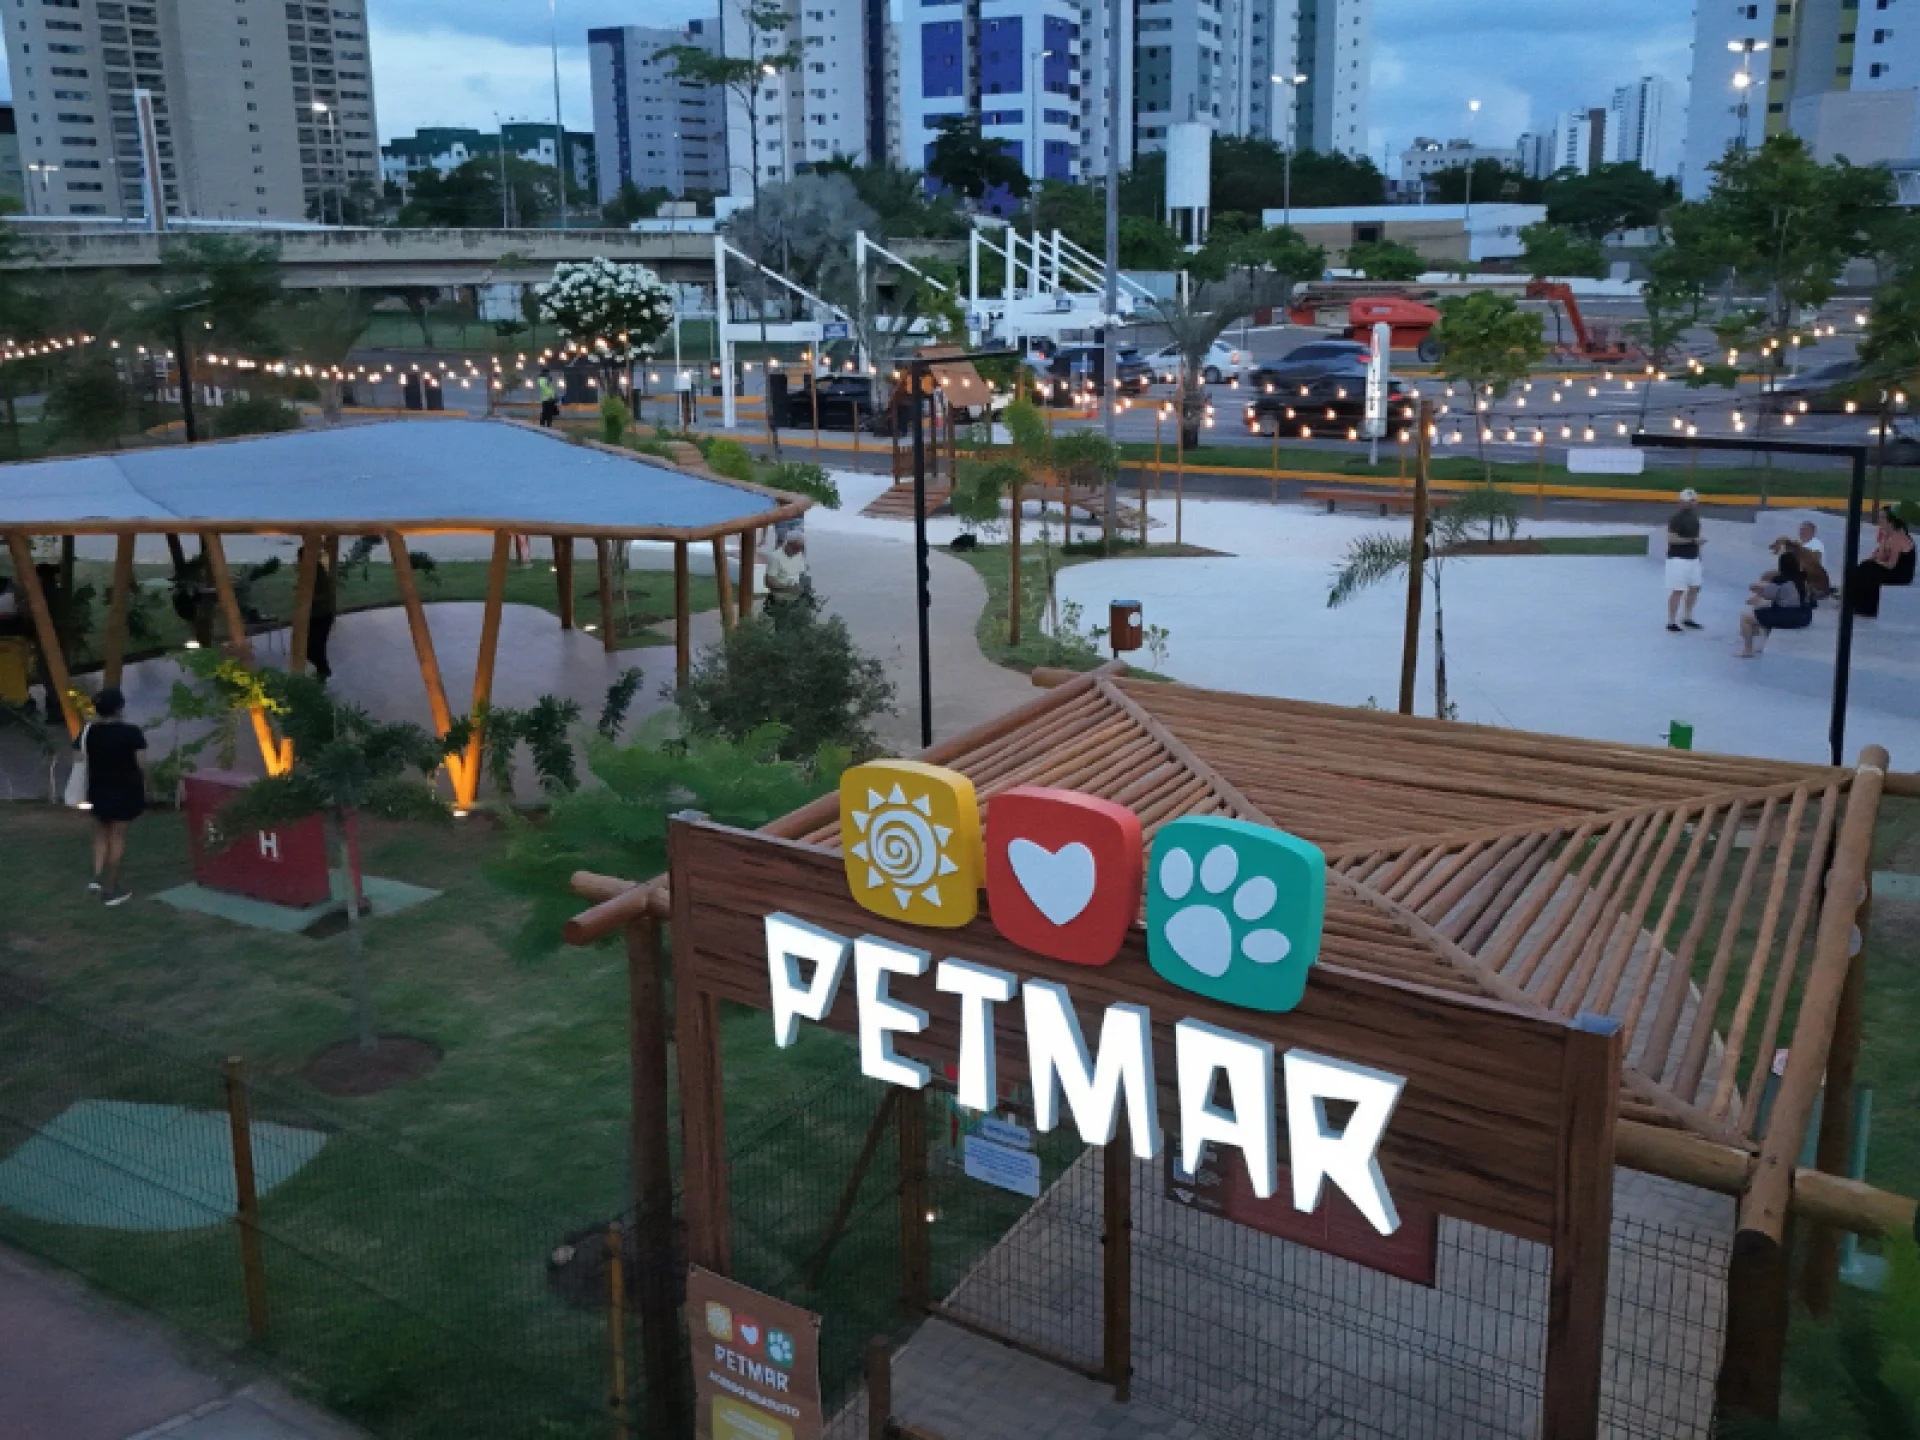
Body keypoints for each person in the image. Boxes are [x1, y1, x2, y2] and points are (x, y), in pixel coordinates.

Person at [78, 686, 146, 907]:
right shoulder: (131, 732)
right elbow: (141, 763)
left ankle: (96, 878)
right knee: (118, 837)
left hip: (98, 789)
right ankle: (111, 889)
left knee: (100, 834)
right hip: (125, 789)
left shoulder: (89, 732)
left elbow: (79, 759)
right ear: (119, 708)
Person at [1739, 551, 1815, 657]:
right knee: (1765, 610)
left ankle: (1747, 650)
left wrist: (1755, 588)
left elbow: (1767, 594)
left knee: (1746, 618)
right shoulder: (1803, 578)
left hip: (1789, 617)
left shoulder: (1781, 579)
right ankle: (1762, 644)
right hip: (1805, 617)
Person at [1848, 506, 1916, 618]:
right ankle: (1853, 603)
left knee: (1869, 570)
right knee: (1863, 568)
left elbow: (1891, 565)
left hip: (1900, 574)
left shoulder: (1898, 537)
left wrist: (1874, 562)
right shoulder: (1888, 534)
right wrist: (1884, 539)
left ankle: (1867, 608)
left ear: (1891, 520)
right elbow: (1880, 556)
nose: (1880, 520)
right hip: (1891, 569)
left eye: (1883, 518)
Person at [1665, 488, 1705, 633]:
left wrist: (1697, 553)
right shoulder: (1676, 518)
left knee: (1695, 588)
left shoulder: (1694, 517)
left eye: (1694, 500)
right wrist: (1693, 541)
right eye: (1690, 500)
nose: (1693, 503)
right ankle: (1671, 621)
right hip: (1678, 559)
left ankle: (1687, 617)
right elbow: (1671, 538)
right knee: (1678, 590)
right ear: (1682, 502)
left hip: (1693, 558)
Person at [298, 544, 337, 681]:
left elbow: (325, 593)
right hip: (314, 614)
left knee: (316, 645)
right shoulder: (305, 571)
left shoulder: (317, 570)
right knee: (310, 646)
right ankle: (321, 670)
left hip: (322, 614)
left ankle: (323, 671)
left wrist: (309, 598)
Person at [762, 532, 809, 610]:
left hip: (796, 597)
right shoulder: (775, 557)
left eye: (801, 548)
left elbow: (801, 573)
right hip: (779, 598)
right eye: (796, 548)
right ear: (788, 544)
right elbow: (768, 582)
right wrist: (787, 588)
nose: (798, 551)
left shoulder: (799, 555)